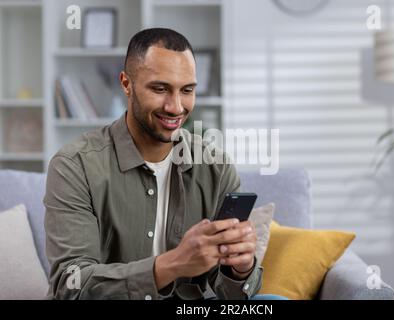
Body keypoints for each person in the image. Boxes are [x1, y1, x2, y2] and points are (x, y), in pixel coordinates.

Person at [44, 28, 262, 300]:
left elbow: (234, 297)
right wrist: (173, 264)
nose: (176, 107)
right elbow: (70, 285)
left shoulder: (215, 166)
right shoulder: (74, 166)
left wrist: (241, 270)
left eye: (187, 90)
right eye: (160, 89)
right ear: (126, 84)